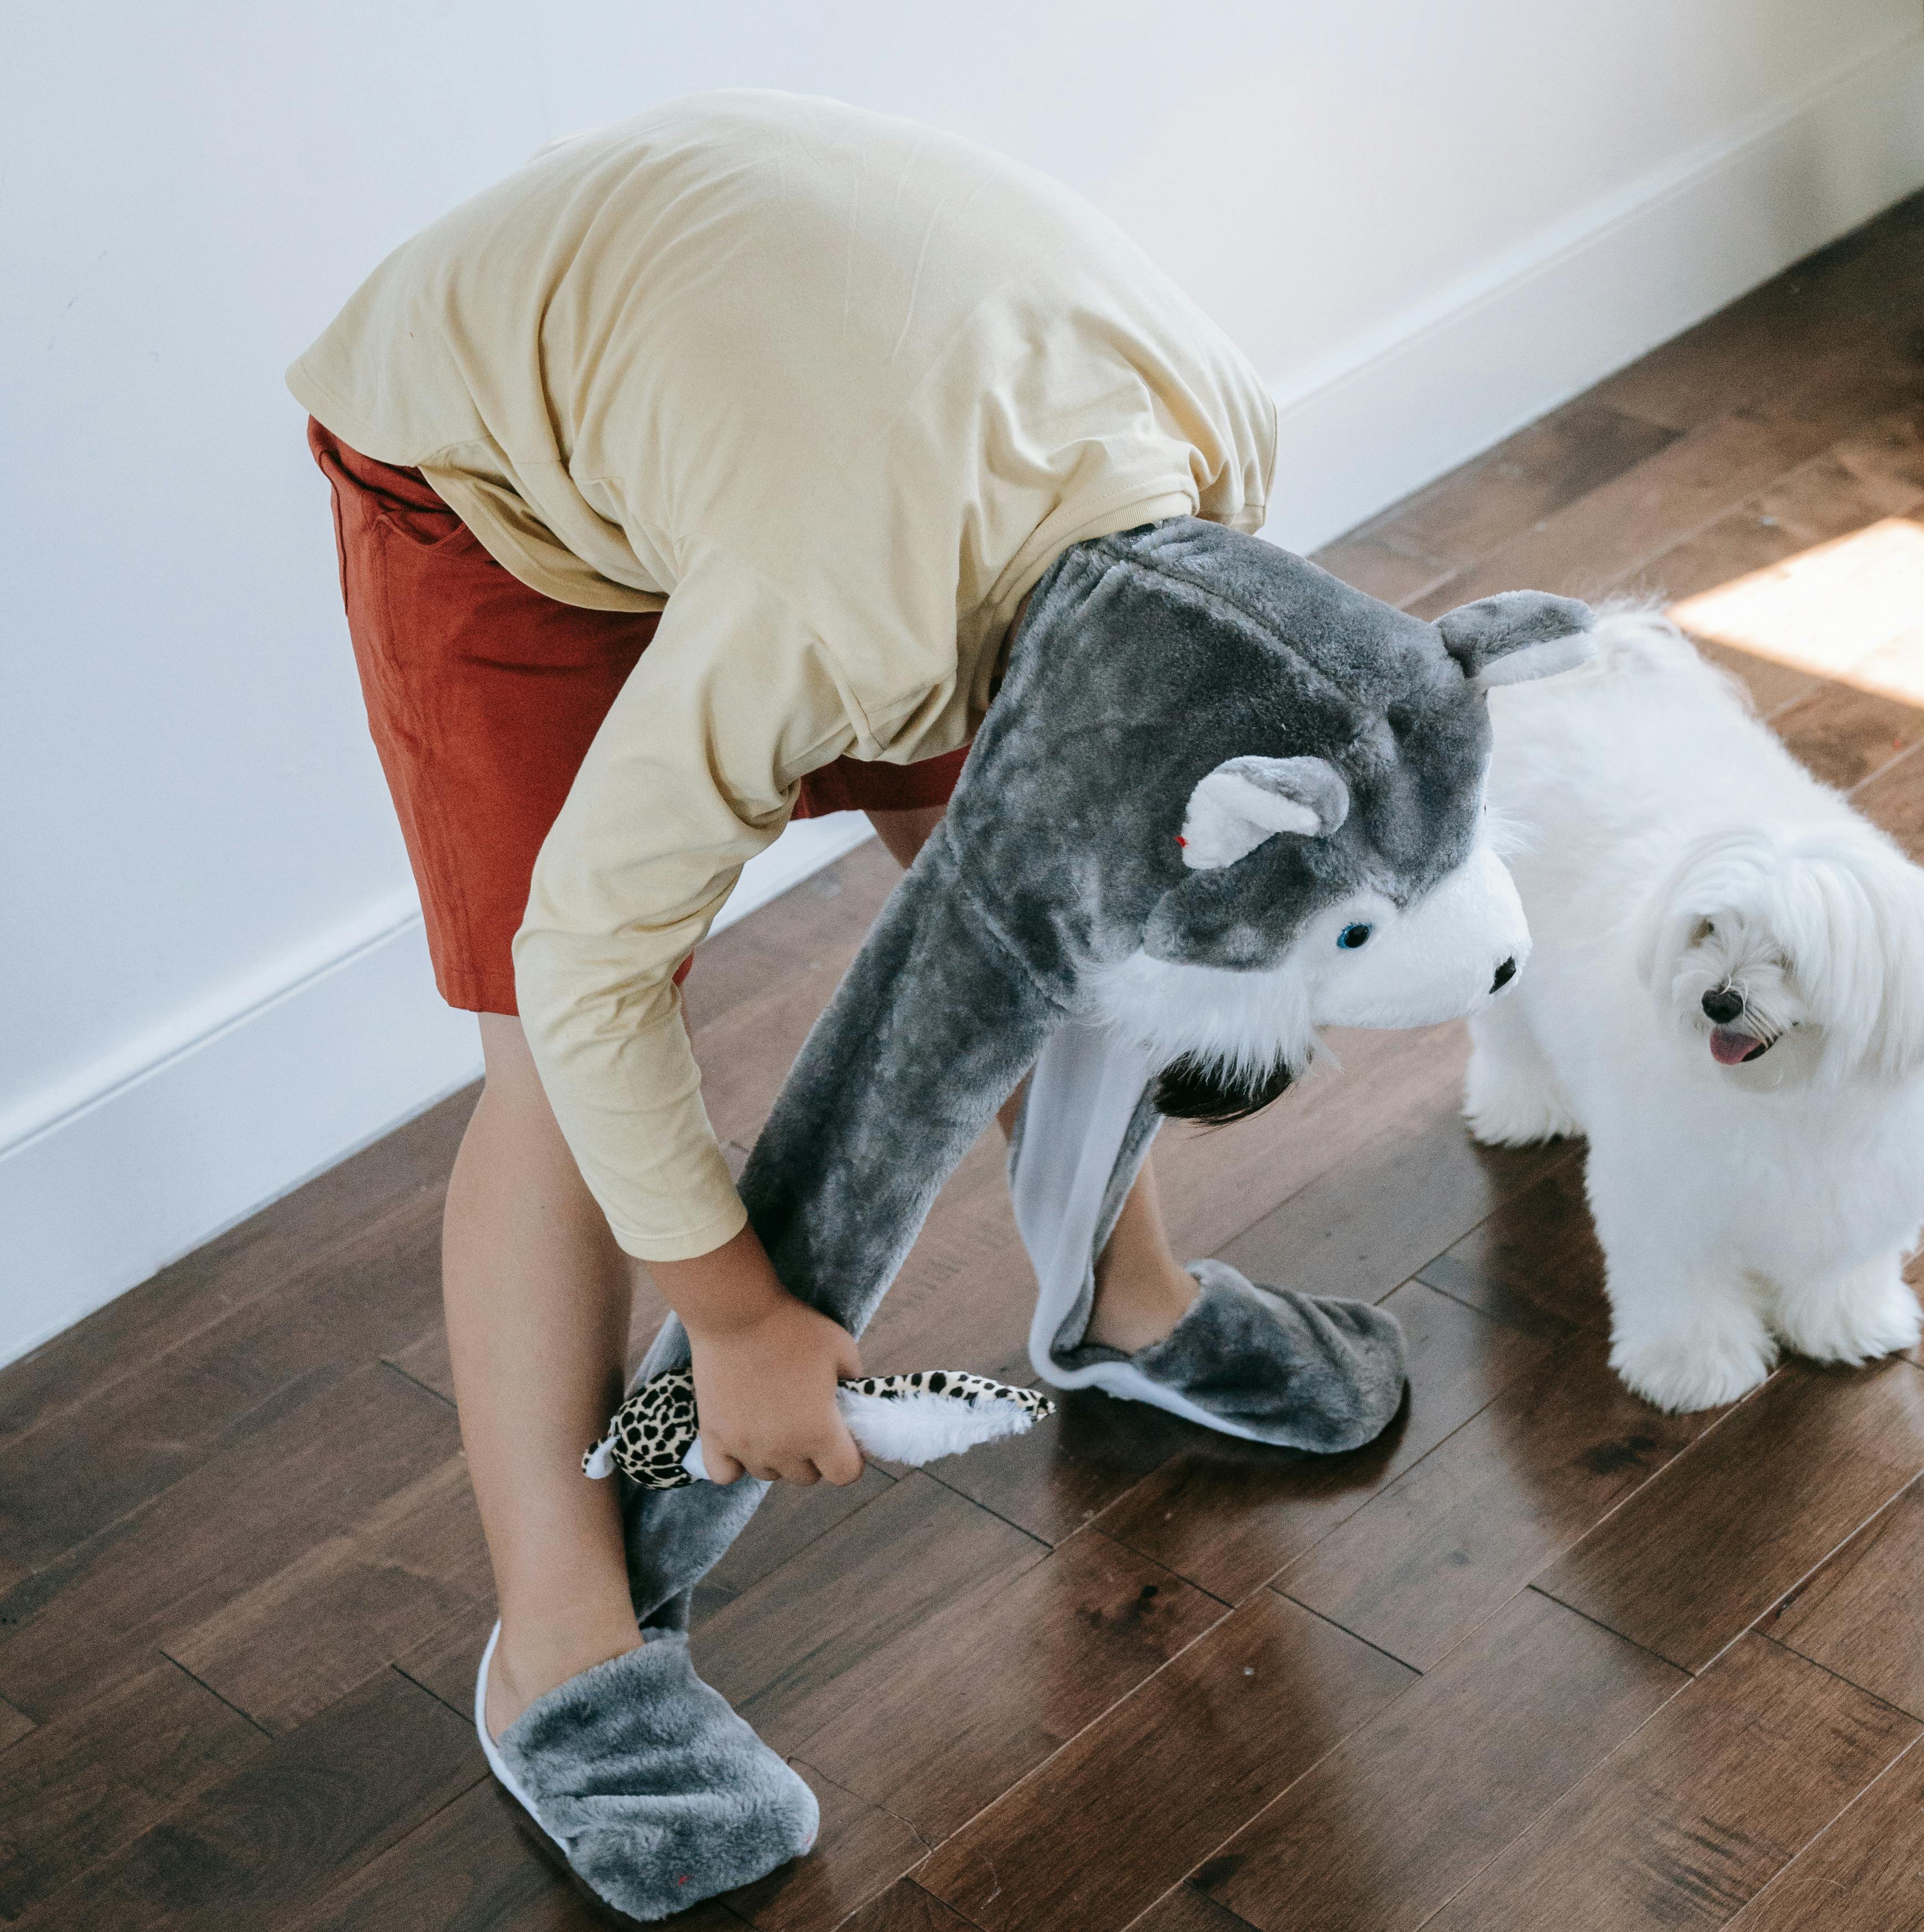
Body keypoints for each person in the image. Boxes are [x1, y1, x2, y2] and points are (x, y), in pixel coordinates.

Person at [288, 90, 1274, 1746]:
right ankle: (560, 1641)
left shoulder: (1209, 456)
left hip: (786, 390)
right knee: (548, 1063)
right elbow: (585, 974)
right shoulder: (836, 614)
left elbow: (1060, 884)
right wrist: (738, 1323)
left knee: (1026, 889)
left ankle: (1128, 1297)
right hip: (488, 469)